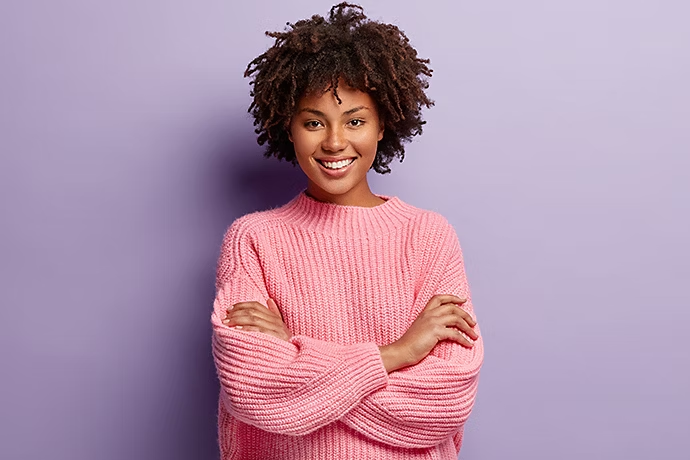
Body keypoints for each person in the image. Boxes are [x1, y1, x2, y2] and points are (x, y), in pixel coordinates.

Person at [210, 3, 484, 459]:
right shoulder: (253, 239)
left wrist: (296, 359)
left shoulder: (428, 236)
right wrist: (397, 353)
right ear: (289, 128)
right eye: (313, 121)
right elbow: (252, 388)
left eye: (355, 120)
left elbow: (443, 403)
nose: (335, 142)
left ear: (383, 127)